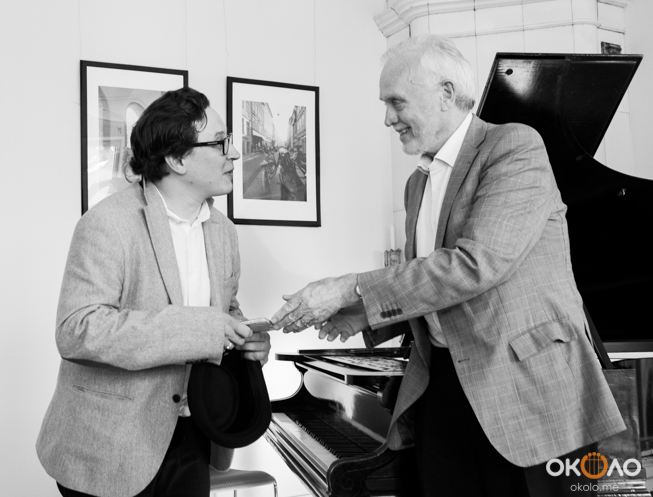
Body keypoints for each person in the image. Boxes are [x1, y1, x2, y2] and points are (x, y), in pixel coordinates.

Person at [271, 35, 624, 497]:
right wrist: (363, 314)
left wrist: (350, 287)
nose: (387, 118)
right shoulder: (416, 184)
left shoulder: (513, 146)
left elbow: (476, 265)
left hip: (524, 388)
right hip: (441, 387)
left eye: (396, 102)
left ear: (446, 93)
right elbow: (433, 286)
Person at [36, 87, 271, 497]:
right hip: (109, 446)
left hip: (195, 436)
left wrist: (245, 339)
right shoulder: (107, 224)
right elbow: (77, 330)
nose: (234, 154)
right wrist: (200, 329)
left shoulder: (225, 233)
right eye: (220, 143)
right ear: (177, 159)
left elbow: (225, 311)